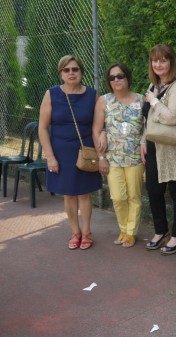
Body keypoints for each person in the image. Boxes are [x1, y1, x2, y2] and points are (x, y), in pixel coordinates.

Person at [38, 55, 101, 250]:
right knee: (69, 194)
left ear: (81, 72)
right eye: (67, 70)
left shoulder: (92, 95)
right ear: (61, 74)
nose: (71, 73)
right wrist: (50, 157)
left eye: (75, 69)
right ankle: (75, 231)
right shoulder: (52, 94)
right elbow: (42, 127)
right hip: (60, 152)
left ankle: (87, 231)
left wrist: (102, 146)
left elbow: (99, 126)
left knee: (84, 194)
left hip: (84, 151)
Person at [140, 44, 176, 255]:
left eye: (163, 60)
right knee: (153, 189)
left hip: (171, 146)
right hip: (152, 144)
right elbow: (148, 119)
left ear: (171, 62)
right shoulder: (153, 85)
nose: (158, 64)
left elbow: (174, 117)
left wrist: (154, 101)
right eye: (155, 60)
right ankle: (160, 230)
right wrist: (143, 140)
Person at [92, 63, 145, 248]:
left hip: (136, 158)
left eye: (120, 76)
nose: (116, 80)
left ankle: (130, 233)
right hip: (112, 158)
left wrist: (145, 141)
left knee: (134, 197)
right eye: (112, 77)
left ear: (127, 77)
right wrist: (101, 157)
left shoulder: (141, 99)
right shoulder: (104, 101)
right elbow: (97, 129)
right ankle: (123, 228)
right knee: (118, 197)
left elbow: (148, 128)